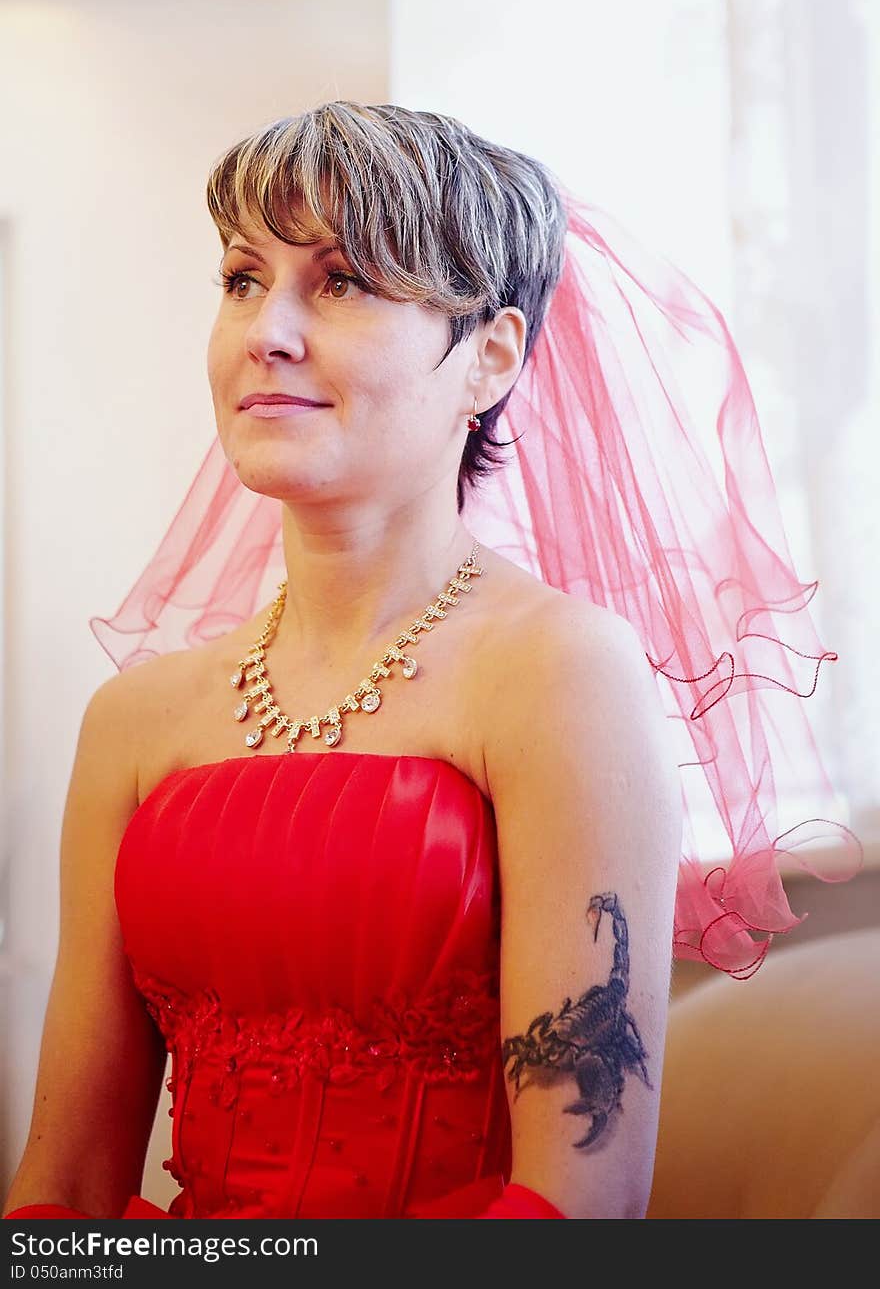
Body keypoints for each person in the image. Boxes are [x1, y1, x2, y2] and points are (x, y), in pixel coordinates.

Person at [3, 101, 860, 1222]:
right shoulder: (134, 718)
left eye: (343, 280)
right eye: (242, 279)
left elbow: (577, 1205)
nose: (267, 329)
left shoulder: (560, 675)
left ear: (489, 357)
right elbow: (63, 1180)